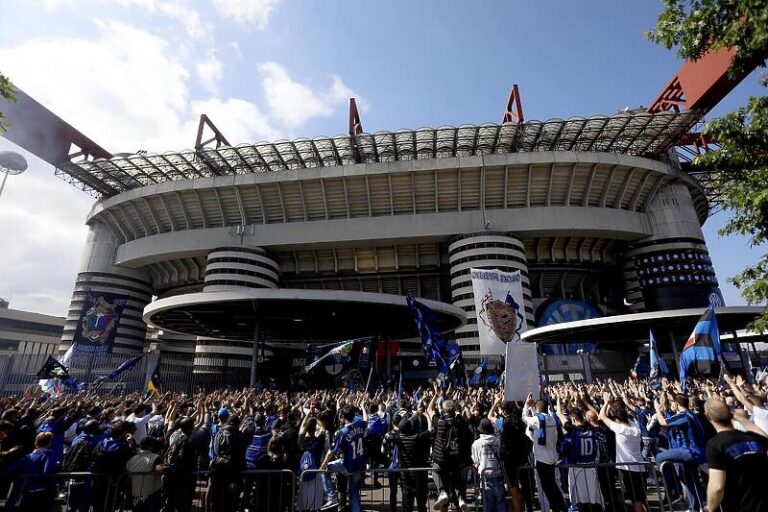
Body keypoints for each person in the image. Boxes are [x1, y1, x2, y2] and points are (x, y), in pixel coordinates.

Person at [704, 398, 768, 512]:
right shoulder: (752, 438)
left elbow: (717, 487)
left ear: (707, 416)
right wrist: (739, 417)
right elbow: (763, 435)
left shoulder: (715, 445)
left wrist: (710, 508)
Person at [654, 393, 708, 512]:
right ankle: (697, 507)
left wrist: (657, 409)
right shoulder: (692, 414)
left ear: (677, 404)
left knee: (659, 457)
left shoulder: (684, 415)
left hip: (689, 451)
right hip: (696, 451)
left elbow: (663, 422)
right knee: (691, 481)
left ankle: (671, 485)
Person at [599, 393, 648, 512]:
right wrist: (613, 405)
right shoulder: (635, 427)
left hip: (629, 468)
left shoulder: (620, 429)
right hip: (640, 466)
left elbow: (601, 416)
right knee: (642, 499)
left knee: (635, 500)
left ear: (617, 419)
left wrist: (606, 402)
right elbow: (621, 415)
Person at [428, 385, 473, 512]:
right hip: (457, 459)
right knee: (458, 481)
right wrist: (459, 405)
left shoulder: (440, 422)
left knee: (435, 470)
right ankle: (461, 498)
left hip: (442, 460)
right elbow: (467, 418)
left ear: (443, 411)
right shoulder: (460, 422)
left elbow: (429, 409)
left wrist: (436, 395)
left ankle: (442, 492)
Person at [522, 394, 567, 512]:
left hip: (542, 460)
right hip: (552, 457)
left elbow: (525, 418)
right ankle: (562, 507)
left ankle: (556, 508)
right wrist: (534, 408)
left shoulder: (537, 420)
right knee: (553, 485)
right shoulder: (551, 417)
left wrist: (527, 405)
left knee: (547, 487)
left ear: (537, 408)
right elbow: (538, 418)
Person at [321, 404, 367, 512]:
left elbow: (331, 451)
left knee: (324, 470)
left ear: (343, 416)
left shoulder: (343, 432)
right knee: (354, 492)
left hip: (346, 465)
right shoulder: (360, 425)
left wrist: (323, 463)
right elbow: (366, 420)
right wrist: (363, 408)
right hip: (358, 466)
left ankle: (331, 495)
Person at [383, 416, 432, 512]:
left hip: (406, 475)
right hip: (419, 474)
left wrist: (397, 423)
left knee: (407, 503)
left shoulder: (398, 438)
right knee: (421, 504)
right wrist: (427, 415)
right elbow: (430, 430)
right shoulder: (418, 437)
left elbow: (395, 429)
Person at [559, 408, 603, 512]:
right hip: (591, 468)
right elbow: (597, 450)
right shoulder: (592, 431)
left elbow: (563, 450)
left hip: (577, 470)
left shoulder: (572, 434)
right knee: (592, 498)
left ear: (573, 419)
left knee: (581, 500)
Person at [5, 431, 59, 511]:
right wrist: (56, 465)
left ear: (36, 443)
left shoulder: (27, 457)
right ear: (49, 443)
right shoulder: (49, 454)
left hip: (27, 494)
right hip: (43, 495)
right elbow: (47, 471)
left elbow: (10, 471)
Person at [209, 414, 245, 512]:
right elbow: (239, 453)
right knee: (230, 499)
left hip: (217, 470)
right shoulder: (238, 435)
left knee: (217, 499)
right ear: (237, 424)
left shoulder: (219, 433)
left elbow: (215, 451)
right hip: (231, 473)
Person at [472, 418, 506, 512]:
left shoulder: (477, 443)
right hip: (498, 475)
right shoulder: (498, 441)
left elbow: (475, 460)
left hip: (485, 476)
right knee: (500, 503)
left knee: (488, 505)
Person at [126, 436, 164, 512]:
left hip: (134, 493)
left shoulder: (133, 456)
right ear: (151, 446)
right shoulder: (155, 457)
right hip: (151, 494)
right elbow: (160, 470)